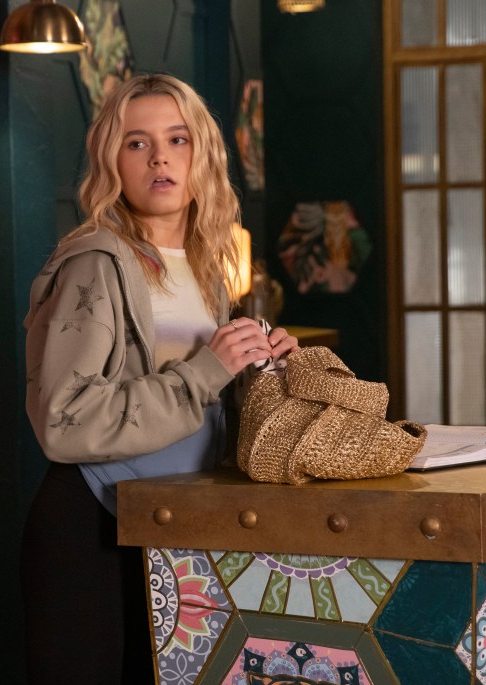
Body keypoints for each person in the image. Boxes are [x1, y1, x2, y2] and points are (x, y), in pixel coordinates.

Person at [21, 73, 299, 684]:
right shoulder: (95, 262)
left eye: (177, 139)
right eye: (136, 143)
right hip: (93, 526)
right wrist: (206, 370)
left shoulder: (207, 264)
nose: (160, 158)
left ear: (201, 153)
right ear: (111, 160)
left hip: (175, 525)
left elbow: (205, 407)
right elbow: (64, 424)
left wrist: (265, 366)